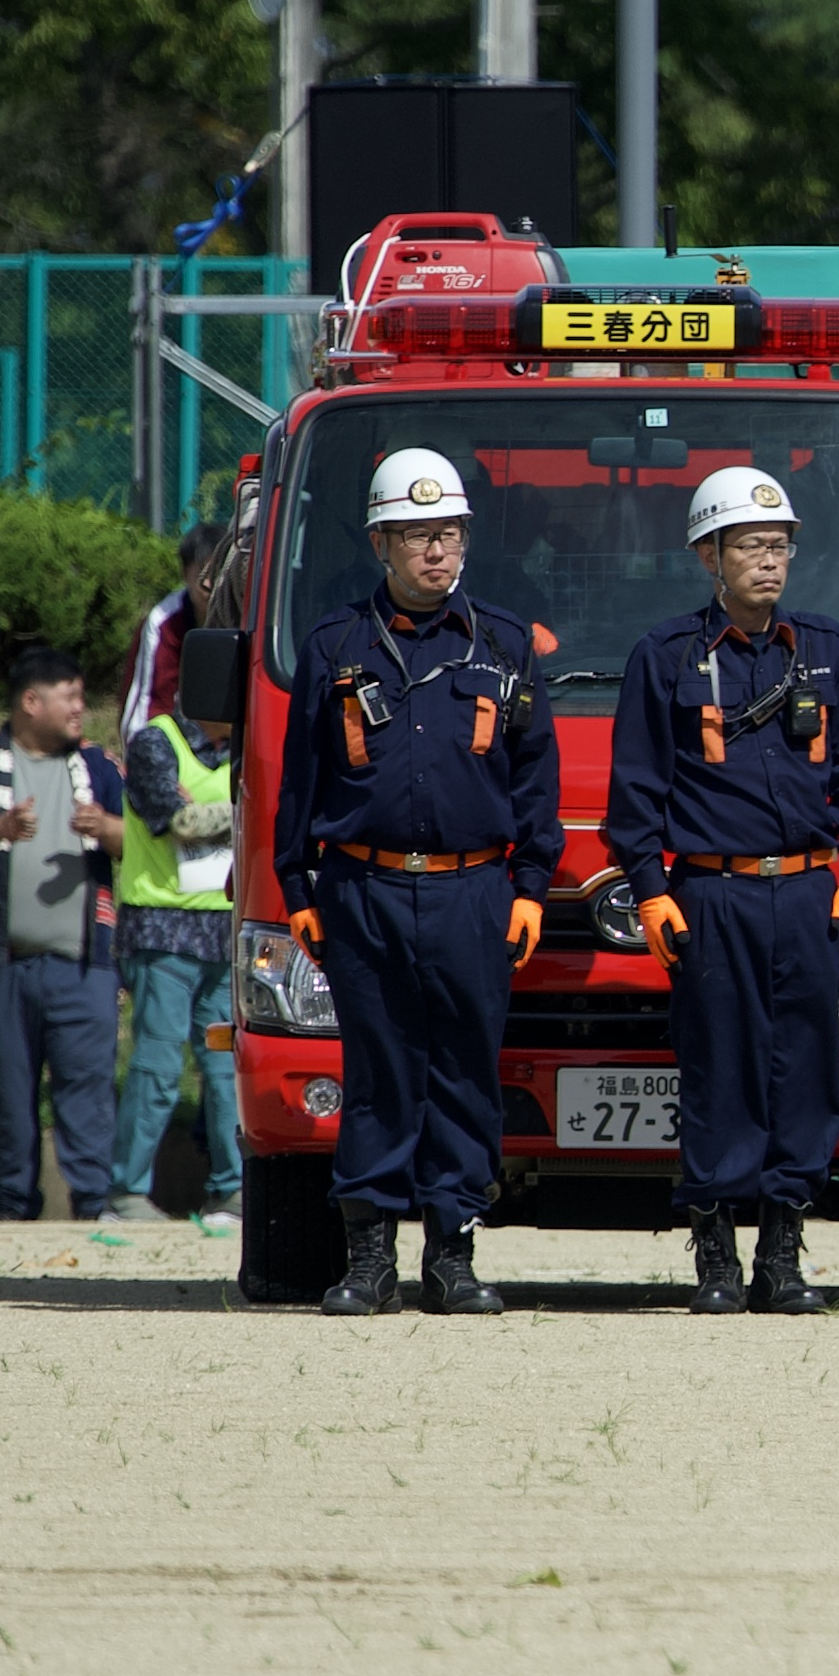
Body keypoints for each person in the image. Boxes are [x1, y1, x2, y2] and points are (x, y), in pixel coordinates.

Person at [266, 448, 562, 1316]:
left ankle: (452, 1256)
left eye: (449, 534)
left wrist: (533, 888)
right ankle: (368, 1261)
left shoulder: (504, 643)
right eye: (416, 535)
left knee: (466, 1072)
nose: (436, 551)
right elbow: (302, 781)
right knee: (379, 1071)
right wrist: (298, 889)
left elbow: (534, 779)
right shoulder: (335, 647)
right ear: (379, 544)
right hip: (365, 889)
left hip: (476, 893)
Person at [602, 464, 839, 1317]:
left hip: (807, 895)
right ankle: (718, 1253)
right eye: (750, 546)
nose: (769, 561)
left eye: (779, 545)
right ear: (708, 555)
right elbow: (635, 793)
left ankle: (784, 1253)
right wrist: (653, 891)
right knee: (719, 1068)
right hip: (711, 898)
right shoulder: (665, 658)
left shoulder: (826, 652)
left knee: (805, 1072)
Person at [0, 646, 127, 1224]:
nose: (80, 709)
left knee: (88, 1085)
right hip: (0, 963)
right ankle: (12, 1204)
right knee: (10, 1091)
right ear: (30, 702)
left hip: (86, 965)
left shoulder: (101, 767)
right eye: (69, 696)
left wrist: (107, 828)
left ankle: (94, 1203)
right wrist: (2, 828)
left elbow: (144, 845)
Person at [111, 676, 244, 1236]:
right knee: (159, 1064)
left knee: (227, 1070)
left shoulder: (245, 747)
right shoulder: (155, 742)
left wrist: (212, 811)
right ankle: (126, 1189)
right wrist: (242, 810)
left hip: (225, 925)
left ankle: (233, 1190)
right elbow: (178, 821)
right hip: (163, 926)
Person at [120, 524, 224, 748]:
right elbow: (150, 705)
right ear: (185, 573)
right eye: (201, 573)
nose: (208, 583)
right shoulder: (163, 621)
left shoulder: (248, 617)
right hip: (178, 750)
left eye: (215, 572)